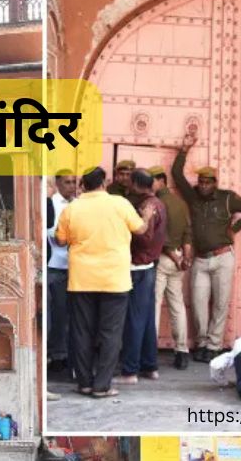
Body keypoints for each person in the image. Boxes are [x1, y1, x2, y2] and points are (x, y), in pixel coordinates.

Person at [53, 166, 147, 398]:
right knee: (110, 333)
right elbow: (141, 229)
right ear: (104, 183)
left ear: (82, 185)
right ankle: (101, 386)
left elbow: (60, 239)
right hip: (114, 279)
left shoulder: (73, 208)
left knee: (82, 331)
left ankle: (84, 382)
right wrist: (147, 216)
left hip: (82, 279)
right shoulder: (120, 204)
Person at [173, 135, 241, 363]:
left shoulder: (227, 198)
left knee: (221, 303)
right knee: (199, 305)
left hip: (223, 257)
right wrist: (184, 150)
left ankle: (214, 345)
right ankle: (201, 343)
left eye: (207, 182)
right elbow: (176, 175)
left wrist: (236, 228)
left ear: (215, 183)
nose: (203, 185)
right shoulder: (192, 197)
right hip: (200, 260)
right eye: (201, 181)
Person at [115, 169, 167, 385]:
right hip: (148, 267)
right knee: (145, 320)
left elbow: (145, 237)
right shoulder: (158, 203)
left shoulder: (147, 206)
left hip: (137, 267)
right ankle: (150, 366)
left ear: (136, 184)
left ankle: (130, 371)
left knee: (134, 321)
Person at [149, 165, 193, 370]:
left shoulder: (157, 204)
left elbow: (161, 239)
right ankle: (182, 351)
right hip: (178, 257)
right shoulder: (181, 204)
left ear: (161, 181)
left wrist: (175, 258)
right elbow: (187, 232)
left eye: (152, 181)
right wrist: (184, 257)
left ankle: (150, 352)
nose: (149, 185)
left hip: (163, 259)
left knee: (155, 305)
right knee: (177, 307)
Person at [46, 170, 78, 375]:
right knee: (56, 312)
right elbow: (50, 233)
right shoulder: (50, 203)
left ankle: (66, 354)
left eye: (74, 182)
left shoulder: (78, 204)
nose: (71, 186)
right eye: (67, 182)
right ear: (57, 183)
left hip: (75, 265)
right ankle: (56, 354)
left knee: (71, 314)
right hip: (56, 263)